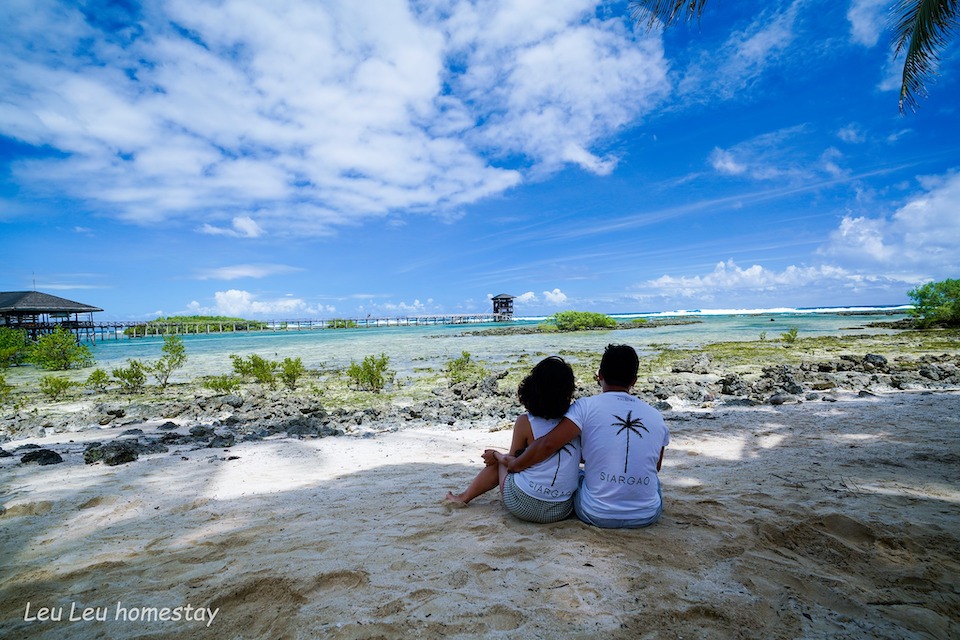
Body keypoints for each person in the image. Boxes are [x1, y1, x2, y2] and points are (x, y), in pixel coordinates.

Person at [497, 344, 669, 529]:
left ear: (600, 375)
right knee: (653, 482)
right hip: (646, 516)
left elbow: (547, 445)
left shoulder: (584, 407)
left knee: (579, 477)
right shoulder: (656, 417)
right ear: (634, 381)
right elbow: (655, 467)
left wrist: (516, 464)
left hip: (595, 513)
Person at [444, 356, 581, 524]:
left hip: (522, 504)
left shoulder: (526, 422)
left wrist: (495, 455)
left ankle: (464, 497)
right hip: (560, 510)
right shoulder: (574, 423)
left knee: (501, 461)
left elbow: (512, 463)